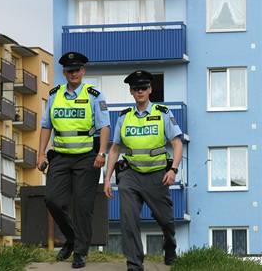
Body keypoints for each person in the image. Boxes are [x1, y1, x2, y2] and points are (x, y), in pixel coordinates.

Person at [103, 70, 183, 271]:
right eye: (136, 88)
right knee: (128, 219)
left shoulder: (162, 113)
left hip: (157, 175)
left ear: (150, 90)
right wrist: (107, 178)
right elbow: (114, 149)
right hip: (130, 175)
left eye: (144, 88)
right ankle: (134, 263)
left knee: (165, 220)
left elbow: (177, 143)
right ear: (131, 92)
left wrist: (173, 170)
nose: (140, 91)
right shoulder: (124, 117)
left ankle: (170, 247)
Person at [37, 52, 110, 269]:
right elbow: (46, 125)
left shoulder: (94, 95)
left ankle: (80, 252)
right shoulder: (54, 94)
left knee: (83, 205)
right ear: (64, 73)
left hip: (87, 157)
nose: (73, 73)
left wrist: (102, 153)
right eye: (69, 70)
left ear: (83, 71)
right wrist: (41, 154)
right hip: (59, 156)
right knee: (52, 199)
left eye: (77, 70)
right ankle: (71, 237)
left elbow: (104, 126)